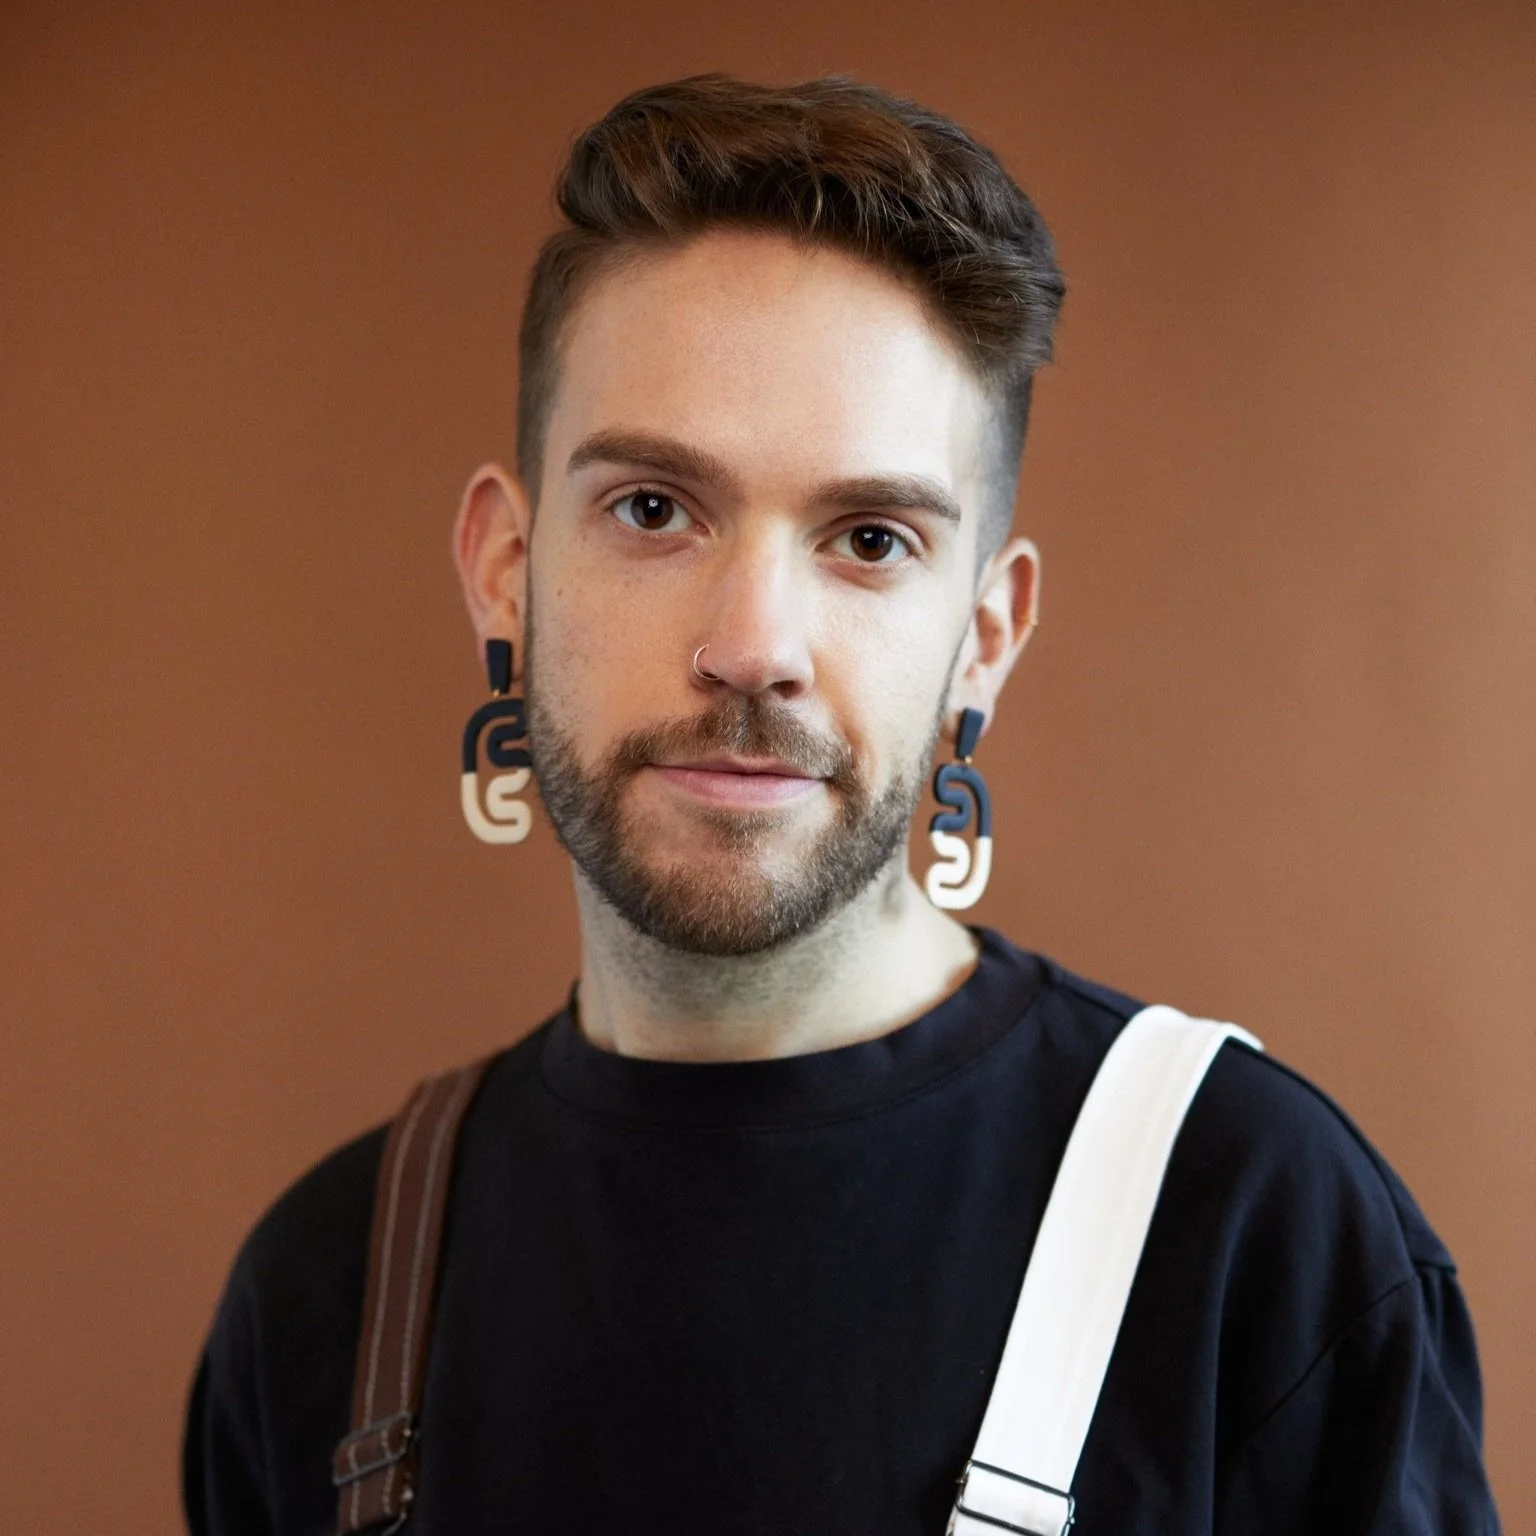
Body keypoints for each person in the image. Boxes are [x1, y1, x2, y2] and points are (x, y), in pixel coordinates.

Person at [182, 75, 1500, 1536]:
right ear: (506, 569)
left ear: (984, 637)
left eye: (870, 538)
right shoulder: (324, 1288)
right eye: (653, 509)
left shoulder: (1264, 1234)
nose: (754, 646)